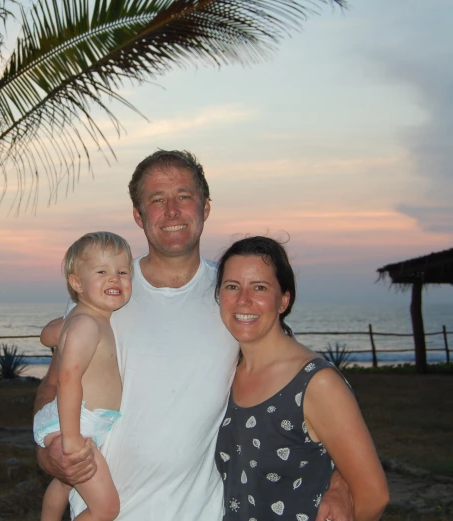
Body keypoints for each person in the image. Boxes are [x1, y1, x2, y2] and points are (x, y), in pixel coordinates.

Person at [35, 150, 354, 521]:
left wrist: (342, 481)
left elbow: (301, 385)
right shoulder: (105, 294)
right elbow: (53, 388)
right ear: (138, 216)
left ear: (205, 207)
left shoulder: (234, 298)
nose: (172, 211)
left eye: (184, 197)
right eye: (157, 200)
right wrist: (51, 455)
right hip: (104, 509)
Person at [213, 236, 389, 520]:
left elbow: (373, 494)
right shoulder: (224, 372)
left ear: (283, 300)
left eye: (259, 287)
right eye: (232, 286)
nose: (243, 300)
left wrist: (343, 487)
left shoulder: (316, 383)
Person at [34, 232, 133, 521]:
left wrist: (60, 328)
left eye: (122, 271)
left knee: (65, 483)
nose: (114, 278)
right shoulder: (87, 324)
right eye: (101, 271)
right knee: (106, 509)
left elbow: (46, 336)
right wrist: (72, 439)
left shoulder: (84, 317)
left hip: (79, 421)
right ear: (77, 283)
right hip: (77, 423)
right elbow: (68, 380)